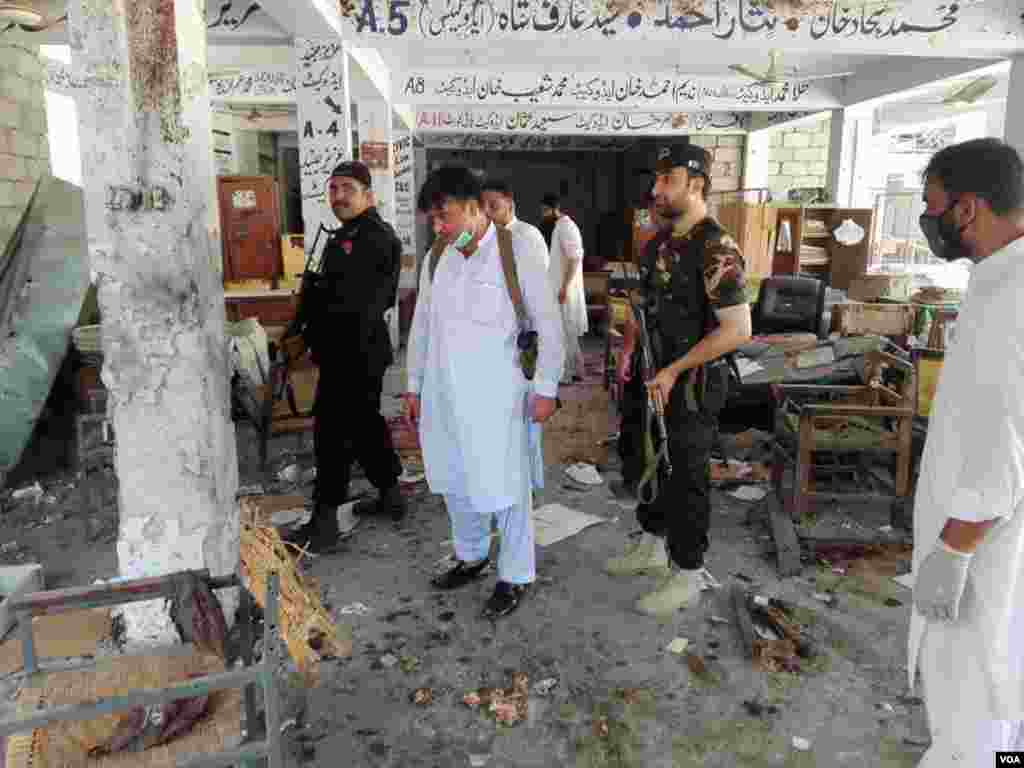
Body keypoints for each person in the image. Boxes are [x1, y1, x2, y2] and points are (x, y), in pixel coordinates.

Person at [906, 137, 1024, 767]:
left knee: (971, 702)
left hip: (986, 550)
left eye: (933, 207)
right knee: (1002, 707)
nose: (930, 223)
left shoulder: (1010, 297)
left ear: (968, 208)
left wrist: (952, 550)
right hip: (995, 533)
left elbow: (1002, 445)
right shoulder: (999, 278)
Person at [404, 166, 564, 618]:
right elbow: (422, 328)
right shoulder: (438, 256)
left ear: (476, 208)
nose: (438, 228)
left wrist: (547, 388)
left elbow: (548, 326)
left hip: (501, 397)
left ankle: (514, 575)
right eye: (433, 221)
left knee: (506, 489)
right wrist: (414, 384)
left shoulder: (518, 252)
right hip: (445, 393)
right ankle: (470, 556)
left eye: (445, 217)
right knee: (456, 480)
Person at [605, 144, 751, 616]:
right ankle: (651, 544)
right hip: (652, 376)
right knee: (648, 458)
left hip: (690, 384)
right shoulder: (658, 244)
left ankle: (688, 571)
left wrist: (673, 370)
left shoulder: (717, 248)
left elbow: (737, 329)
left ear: (697, 184)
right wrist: (629, 350)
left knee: (686, 476)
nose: (656, 190)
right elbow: (642, 307)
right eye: (657, 180)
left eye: (667, 180)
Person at [284, 161, 405, 553]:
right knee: (366, 425)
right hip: (346, 350)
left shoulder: (374, 237)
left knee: (332, 435)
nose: (338, 196)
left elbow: (364, 302)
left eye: (347, 188)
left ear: (368, 195)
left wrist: (316, 320)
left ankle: (325, 523)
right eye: (333, 189)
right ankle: (391, 495)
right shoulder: (344, 236)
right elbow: (328, 292)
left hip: (355, 352)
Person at [541, 194, 588, 385]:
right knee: (566, 331)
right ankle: (578, 370)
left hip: (565, 288)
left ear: (554, 209)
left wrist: (564, 287)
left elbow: (575, 258)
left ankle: (566, 374)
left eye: (545, 210)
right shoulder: (559, 227)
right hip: (561, 285)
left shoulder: (566, 226)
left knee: (564, 331)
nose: (543, 215)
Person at [480, 178, 549, 270]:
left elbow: (541, 275)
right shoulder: (482, 234)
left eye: (493, 205)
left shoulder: (528, 234)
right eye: (483, 206)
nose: (486, 211)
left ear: (509, 203)